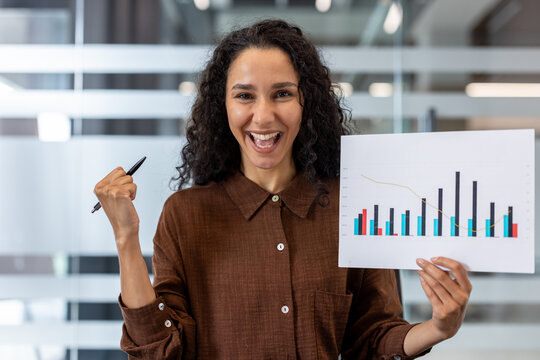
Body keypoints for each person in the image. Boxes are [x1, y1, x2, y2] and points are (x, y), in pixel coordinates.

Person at [94, 19, 472, 359]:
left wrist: (438, 327)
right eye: (244, 95)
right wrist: (126, 238)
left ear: (306, 101)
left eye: (282, 93)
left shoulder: (352, 206)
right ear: (221, 106)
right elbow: (161, 350)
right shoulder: (185, 215)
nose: (263, 116)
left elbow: (372, 339)